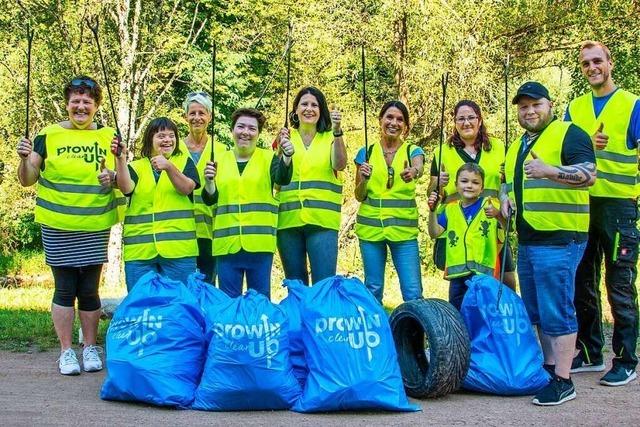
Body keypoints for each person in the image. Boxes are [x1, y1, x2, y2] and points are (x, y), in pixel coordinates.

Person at [16, 76, 123, 375]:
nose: (80, 106)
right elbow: (27, 178)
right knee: (64, 288)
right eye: (75, 100)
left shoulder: (109, 135)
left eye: (87, 101)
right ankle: (66, 351)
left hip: (95, 223)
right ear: (67, 104)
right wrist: (24, 159)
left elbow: (122, 173)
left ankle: (90, 347)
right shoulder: (47, 135)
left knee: (89, 289)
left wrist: (112, 176)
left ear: (96, 106)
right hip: (58, 224)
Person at [502, 81, 596, 406]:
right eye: (523, 106)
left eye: (535, 105)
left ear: (550, 105)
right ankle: (549, 368)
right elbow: (506, 182)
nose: (529, 111)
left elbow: (589, 174)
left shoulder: (570, 133)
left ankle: (564, 380)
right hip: (528, 240)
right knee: (538, 311)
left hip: (560, 238)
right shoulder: (516, 146)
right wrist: (504, 199)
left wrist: (551, 171)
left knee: (557, 310)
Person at [565, 41, 639, 386]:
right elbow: (562, 152)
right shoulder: (574, 108)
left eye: (597, 61)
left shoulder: (631, 105)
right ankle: (591, 352)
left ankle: (625, 358)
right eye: (585, 63)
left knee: (619, 284)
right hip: (582, 205)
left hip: (619, 206)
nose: (592, 67)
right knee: (582, 281)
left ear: (610, 63)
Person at [202, 108, 294, 299]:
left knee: (260, 305)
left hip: (259, 245)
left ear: (258, 133)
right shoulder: (218, 159)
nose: (246, 132)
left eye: (252, 128)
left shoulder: (269, 158)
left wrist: (286, 157)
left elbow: (282, 178)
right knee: (228, 305)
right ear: (232, 130)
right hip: (226, 245)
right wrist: (209, 182)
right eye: (241, 126)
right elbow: (210, 198)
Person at [430, 100, 516, 290]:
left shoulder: (499, 147)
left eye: (471, 117)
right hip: (457, 224)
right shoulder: (442, 152)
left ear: (480, 120)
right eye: (461, 118)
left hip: (491, 222)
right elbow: (432, 192)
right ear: (454, 122)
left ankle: (504, 317)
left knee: (506, 278)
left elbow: (507, 184)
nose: (466, 122)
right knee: (461, 283)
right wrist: (437, 184)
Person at [113, 117, 199, 291]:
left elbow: (187, 188)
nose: (167, 140)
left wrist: (169, 167)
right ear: (150, 140)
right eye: (161, 136)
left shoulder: (184, 162)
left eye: (171, 135)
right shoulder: (136, 167)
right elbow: (125, 187)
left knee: (181, 305)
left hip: (179, 250)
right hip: (140, 252)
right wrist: (121, 159)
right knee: (141, 305)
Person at [354, 100, 424, 303]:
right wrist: (363, 180)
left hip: (403, 233)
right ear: (380, 120)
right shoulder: (366, 153)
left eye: (400, 120)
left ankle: (413, 334)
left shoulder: (413, 151)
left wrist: (413, 171)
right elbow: (359, 195)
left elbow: (418, 168)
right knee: (373, 290)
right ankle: (377, 333)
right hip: (371, 232)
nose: (394, 123)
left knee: (413, 292)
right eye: (390, 117)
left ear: (406, 126)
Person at [276, 86, 347, 285]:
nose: (309, 109)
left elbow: (340, 164)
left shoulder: (331, 137)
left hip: (322, 222)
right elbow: (275, 176)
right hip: (288, 221)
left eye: (314, 105)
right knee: (295, 286)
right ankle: (298, 317)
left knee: (323, 286)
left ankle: (320, 317)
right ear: (295, 110)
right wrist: (280, 147)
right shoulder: (285, 137)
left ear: (321, 110)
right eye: (304, 104)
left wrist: (338, 131)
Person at [427, 163, 506, 310]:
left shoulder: (491, 205)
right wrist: (432, 211)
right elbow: (434, 233)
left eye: (475, 182)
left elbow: (508, 229)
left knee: (481, 314)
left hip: (483, 276)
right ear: (456, 185)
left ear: (482, 188)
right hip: (458, 276)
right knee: (457, 314)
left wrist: (498, 215)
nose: (469, 185)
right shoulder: (450, 209)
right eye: (464, 181)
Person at [182, 91, 228, 283]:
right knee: (183, 287)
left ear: (209, 116)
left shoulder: (222, 150)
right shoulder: (176, 148)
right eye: (192, 113)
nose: (197, 118)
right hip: (182, 230)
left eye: (202, 113)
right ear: (185, 116)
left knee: (207, 285)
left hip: (211, 231)